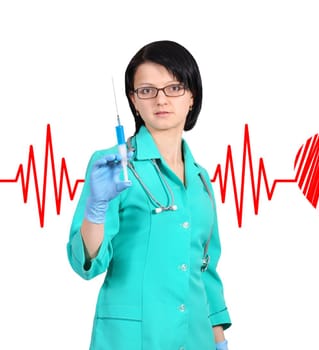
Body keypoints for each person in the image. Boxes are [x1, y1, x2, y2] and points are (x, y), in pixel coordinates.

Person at [67, 40, 231, 350]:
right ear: (134, 100)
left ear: (192, 97)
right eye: (147, 90)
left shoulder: (201, 180)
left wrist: (219, 340)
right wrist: (96, 207)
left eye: (174, 87)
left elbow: (206, 269)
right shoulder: (114, 167)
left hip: (196, 338)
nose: (161, 99)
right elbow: (86, 264)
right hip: (134, 339)